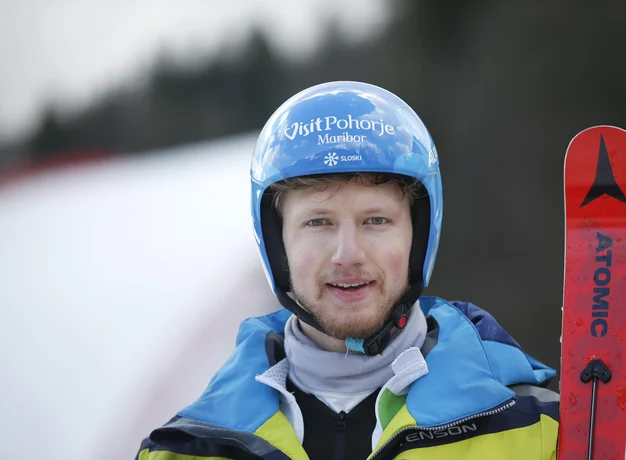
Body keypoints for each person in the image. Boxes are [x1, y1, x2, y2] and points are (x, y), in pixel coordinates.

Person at [136, 81, 559, 459]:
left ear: (418, 236)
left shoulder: (535, 427)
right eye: (318, 223)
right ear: (277, 243)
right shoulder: (187, 450)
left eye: (376, 220)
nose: (347, 254)